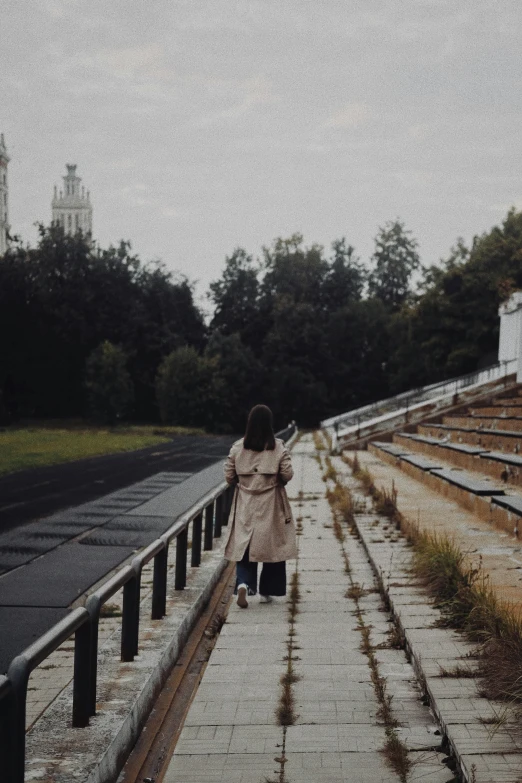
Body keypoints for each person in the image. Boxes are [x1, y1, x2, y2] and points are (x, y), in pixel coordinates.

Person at [223, 404, 297, 608]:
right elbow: (288, 474)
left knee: (245, 546)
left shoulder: (238, 447)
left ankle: (244, 584)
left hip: (246, 502)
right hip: (271, 503)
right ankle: (267, 590)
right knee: (273, 546)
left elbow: (229, 476)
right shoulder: (278, 447)